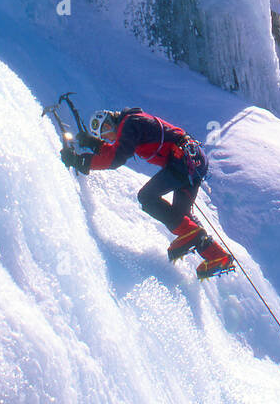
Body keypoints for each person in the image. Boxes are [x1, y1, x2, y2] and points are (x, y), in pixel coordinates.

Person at [60, 108, 235, 278]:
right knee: (182, 217)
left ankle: (194, 236)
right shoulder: (131, 124)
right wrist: (94, 144)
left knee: (147, 197)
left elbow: (115, 158)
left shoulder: (129, 123)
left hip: (183, 160)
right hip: (192, 160)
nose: (108, 135)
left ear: (111, 119)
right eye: (103, 135)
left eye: (106, 128)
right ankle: (218, 256)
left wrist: (80, 161)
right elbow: (115, 151)